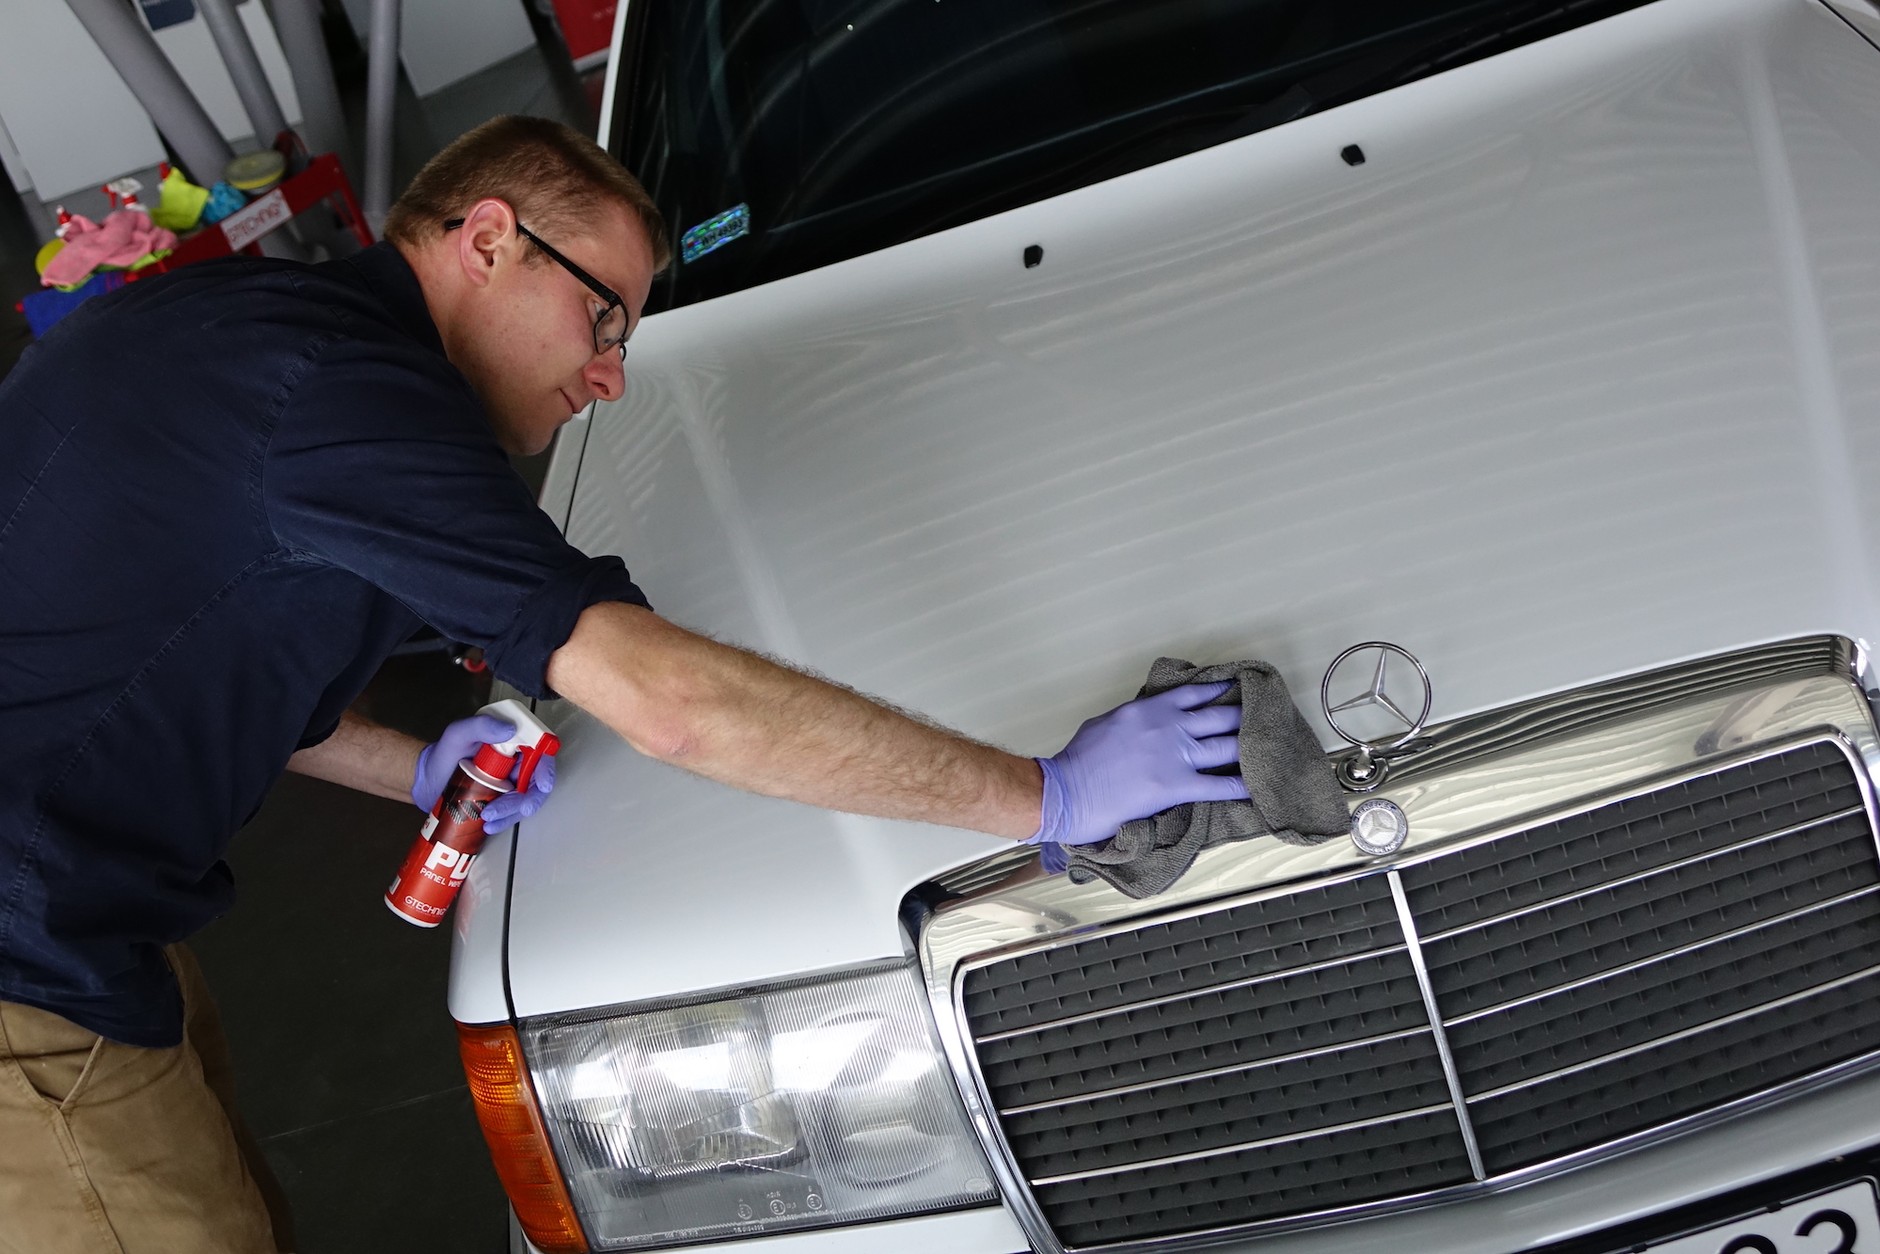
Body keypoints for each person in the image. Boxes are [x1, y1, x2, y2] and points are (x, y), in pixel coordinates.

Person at [0, 116, 1250, 1251]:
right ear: (487, 240)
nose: (609, 376)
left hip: (83, 929)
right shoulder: (340, 399)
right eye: (603, 319)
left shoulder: (251, 337)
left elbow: (187, 645)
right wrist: (1043, 796)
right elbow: (669, 701)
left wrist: (408, 767)